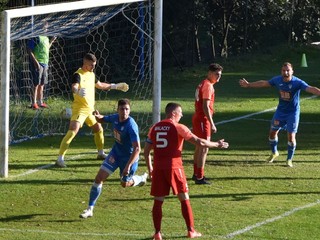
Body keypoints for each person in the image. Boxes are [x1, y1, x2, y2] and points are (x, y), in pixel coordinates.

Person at [144, 102, 229, 240]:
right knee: (184, 198)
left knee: (158, 200)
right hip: (174, 167)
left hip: (159, 168)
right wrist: (217, 144)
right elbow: (199, 142)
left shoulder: (154, 128)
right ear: (173, 113)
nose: (181, 115)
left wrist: (151, 169)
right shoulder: (178, 127)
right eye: (180, 113)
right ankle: (191, 231)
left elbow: (146, 152)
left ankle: (157, 233)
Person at [239, 62, 320, 167]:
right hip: (280, 112)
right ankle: (274, 153)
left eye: (287, 70)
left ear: (292, 72)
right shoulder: (277, 80)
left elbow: (310, 88)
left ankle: (289, 159)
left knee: (291, 136)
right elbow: (264, 83)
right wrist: (249, 85)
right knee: (272, 133)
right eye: (283, 70)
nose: (285, 72)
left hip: (293, 113)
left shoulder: (297, 82)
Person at [55, 53, 129, 167]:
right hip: (80, 109)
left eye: (94, 65)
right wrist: (77, 91)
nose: (93, 67)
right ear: (85, 63)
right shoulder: (78, 74)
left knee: (98, 128)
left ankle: (100, 153)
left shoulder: (91, 74)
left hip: (90, 110)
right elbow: (74, 86)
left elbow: (100, 85)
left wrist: (115, 86)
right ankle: (60, 159)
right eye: (91, 65)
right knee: (73, 131)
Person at [79, 98, 148, 219]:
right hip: (115, 154)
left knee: (124, 184)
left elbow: (137, 149)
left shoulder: (131, 125)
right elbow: (103, 119)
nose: (125, 112)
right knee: (99, 178)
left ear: (130, 110)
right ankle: (90, 208)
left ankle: (141, 178)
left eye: (127, 109)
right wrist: (97, 115)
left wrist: (128, 166)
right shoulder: (116, 118)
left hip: (129, 159)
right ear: (118, 110)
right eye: (122, 109)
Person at [192, 63, 223, 184]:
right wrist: (212, 123)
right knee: (204, 147)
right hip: (202, 119)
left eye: (220, 75)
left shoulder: (204, 83)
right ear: (209, 73)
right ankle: (199, 176)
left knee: (199, 146)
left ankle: (196, 174)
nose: (218, 77)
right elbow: (205, 106)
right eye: (216, 74)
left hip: (198, 118)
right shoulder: (208, 86)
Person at [28, 22, 56, 109]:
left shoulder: (46, 38)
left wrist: (51, 41)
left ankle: (40, 102)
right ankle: (34, 103)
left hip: (45, 63)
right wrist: (35, 61)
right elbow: (29, 50)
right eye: (44, 28)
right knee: (36, 83)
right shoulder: (36, 37)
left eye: (46, 28)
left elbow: (47, 48)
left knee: (42, 84)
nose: (46, 29)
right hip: (38, 63)